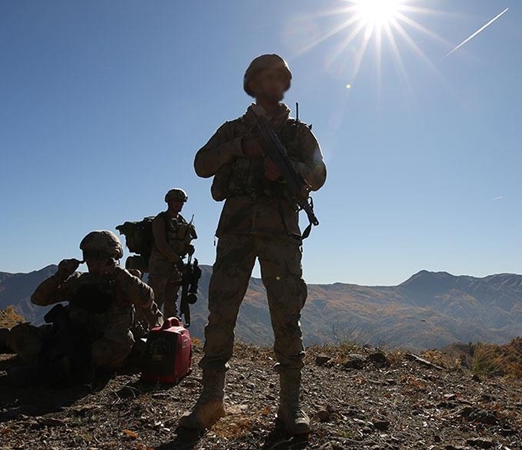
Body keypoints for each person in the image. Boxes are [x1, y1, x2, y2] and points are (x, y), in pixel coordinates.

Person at [179, 54, 327, 434]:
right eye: (265, 76)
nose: (273, 82)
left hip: (280, 232)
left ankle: (290, 406)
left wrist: (290, 169)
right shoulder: (232, 129)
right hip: (236, 231)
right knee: (221, 313)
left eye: (280, 77)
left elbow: (320, 174)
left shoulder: (297, 133)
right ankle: (211, 399)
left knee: (286, 313)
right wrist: (240, 148)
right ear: (252, 82)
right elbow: (201, 164)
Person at [19, 230, 158, 386]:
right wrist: (60, 276)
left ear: (110, 256)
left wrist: (118, 272)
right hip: (74, 336)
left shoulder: (124, 280)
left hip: (104, 342)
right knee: (21, 334)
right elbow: (38, 299)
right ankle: (58, 363)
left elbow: (146, 299)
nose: (90, 261)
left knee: (122, 342)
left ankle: (57, 368)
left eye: (96, 255)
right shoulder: (80, 281)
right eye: (87, 255)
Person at [148, 188, 196, 320]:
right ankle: (149, 329)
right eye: (176, 201)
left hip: (175, 267)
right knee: (155, 299)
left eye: (181, 202)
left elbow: (181, 243)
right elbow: (161, 245)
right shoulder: (160, 219)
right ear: (169, 202)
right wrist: (176, 260)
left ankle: (170, 329)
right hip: (160, 265)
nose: (179, 204)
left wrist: (188, 248)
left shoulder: (182, 221)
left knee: (171, 300)